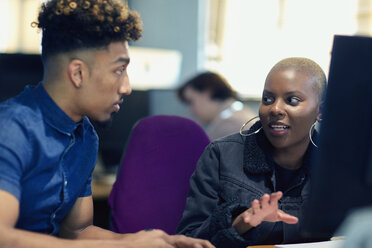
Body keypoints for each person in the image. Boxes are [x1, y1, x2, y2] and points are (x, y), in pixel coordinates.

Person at [0, 1, 214, 248]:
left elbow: (77, 231)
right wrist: (125, 246)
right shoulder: (10, 129)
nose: (127, 87)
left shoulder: (85, 136)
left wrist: (150, 241)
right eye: (119, 70)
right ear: (78, 73)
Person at [176, 57, 327, 247]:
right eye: (268, 99)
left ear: (320, 110)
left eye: (292, 100)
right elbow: (189, 240)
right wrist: (240, 224)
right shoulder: (221, 155)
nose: (276, 109)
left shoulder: (337, 167)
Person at [177, 71, 256, 141]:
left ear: (208, 92)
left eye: (191, 102)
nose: (191, 111)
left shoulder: (228, 125)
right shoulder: (239, 111)